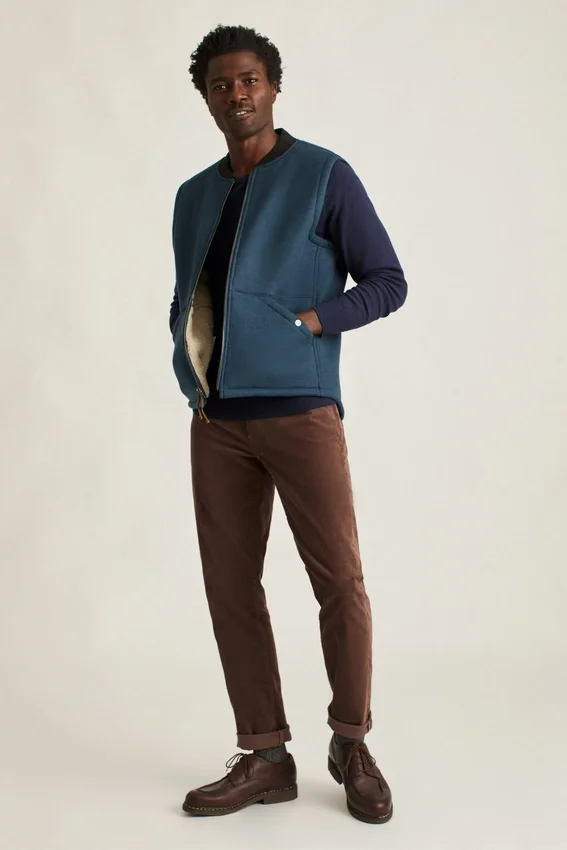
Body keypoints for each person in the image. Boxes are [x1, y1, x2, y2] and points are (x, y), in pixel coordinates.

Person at [170, 24, 407, 824]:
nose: (235, 94)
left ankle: (351, 742)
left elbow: (386, 280)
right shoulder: (193, 195)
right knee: (230, 586)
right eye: (220, 84)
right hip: (217, 420)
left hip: (300, 410)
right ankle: (266, 754)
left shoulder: (322, 175)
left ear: (272, 86)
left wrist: (309, 322)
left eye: (248, 80)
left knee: (338, 581)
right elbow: (189, 293)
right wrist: (188, 371)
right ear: (206, 98)